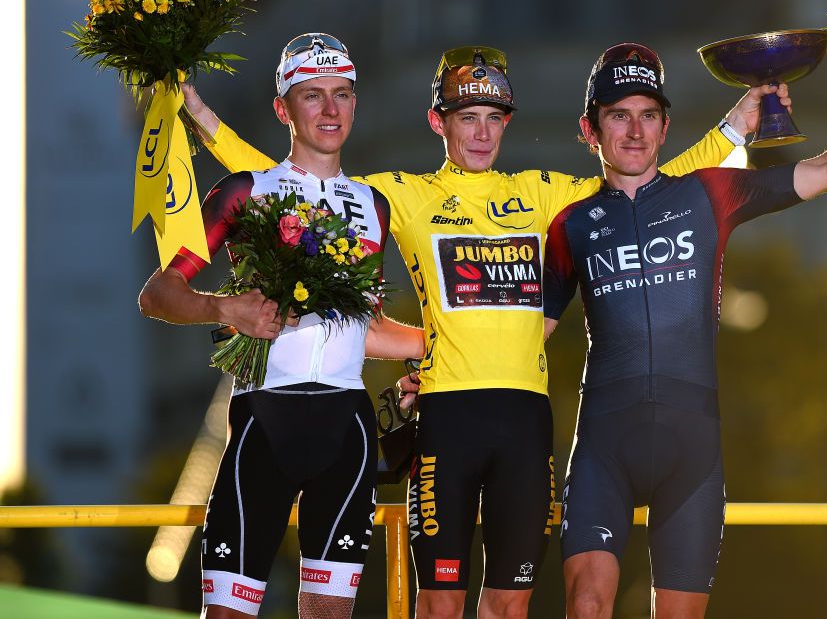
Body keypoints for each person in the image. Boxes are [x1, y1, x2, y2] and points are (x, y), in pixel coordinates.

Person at [181, 44, 785, 618]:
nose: (481, 133)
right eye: (467, 117)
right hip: (446, 416)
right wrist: (203, 117)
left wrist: (733, 130)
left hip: (526, 418)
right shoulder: (406, 195)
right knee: (439, 604)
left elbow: (649, 186)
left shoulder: (542, 193)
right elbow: (294, 190)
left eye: (493, 118)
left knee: (511, 604)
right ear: (438, 123)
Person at [541, 45, 827, 619]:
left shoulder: (707, 193)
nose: (634, 131)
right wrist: (432, 380)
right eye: (618, 115)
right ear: (591, 131)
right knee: (587, 605)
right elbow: (526, 333)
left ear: (666, 127)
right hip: (603, 448)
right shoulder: (570, 224)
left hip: (691, 453)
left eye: (647, 115)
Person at [139, 33, 423, 619]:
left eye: (342, 94)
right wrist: (226, 307)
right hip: (262, 424)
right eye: (312, 95)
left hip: (347, 425)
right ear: (282, 108)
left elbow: (362, 328)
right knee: (226, 614)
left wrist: (438, 348)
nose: (329, 109)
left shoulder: (373, 204)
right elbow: (158, 293)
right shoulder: (248, 190)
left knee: (328, 613)